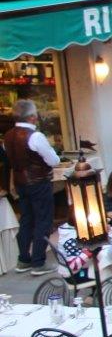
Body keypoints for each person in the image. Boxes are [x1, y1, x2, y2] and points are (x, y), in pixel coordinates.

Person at [3, 99, 58, 275]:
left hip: (20, 183)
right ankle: (38, 261)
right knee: (43, 220)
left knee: (27, 219)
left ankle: (23, 259)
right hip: (38, 182)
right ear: (33, 117)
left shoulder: (8, 136)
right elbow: (53, 160)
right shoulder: (35, 136)